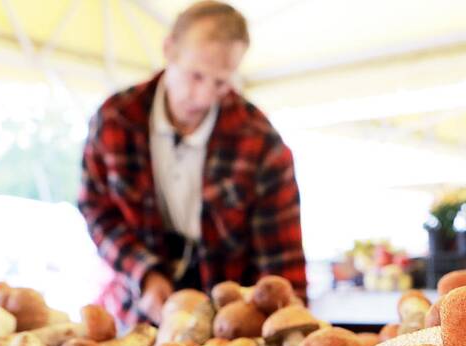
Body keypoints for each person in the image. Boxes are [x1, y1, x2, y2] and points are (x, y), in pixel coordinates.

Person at [79, 1, 306, 325]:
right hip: (138, 306)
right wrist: (143, 274)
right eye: (196, 75)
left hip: (229, 319)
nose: (203, 97)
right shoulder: (116, 119)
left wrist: (289, 322)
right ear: (169, 49)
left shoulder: (260, 142)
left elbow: (281, 260)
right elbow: (97, 209)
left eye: (220, 82)